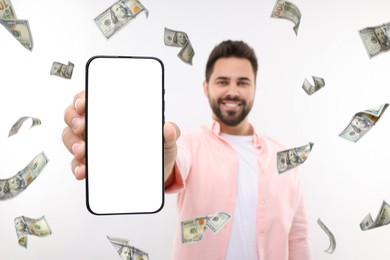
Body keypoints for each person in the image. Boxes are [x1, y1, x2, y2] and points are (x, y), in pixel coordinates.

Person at [62, 40, 312, 259]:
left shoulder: (285, 157)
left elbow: (298, 235)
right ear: (206, 87)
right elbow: (172, 166)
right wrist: (152, 162)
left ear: (255, 87)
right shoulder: (190, 144)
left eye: (243, 82)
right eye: (223, 81)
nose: (233, 91)